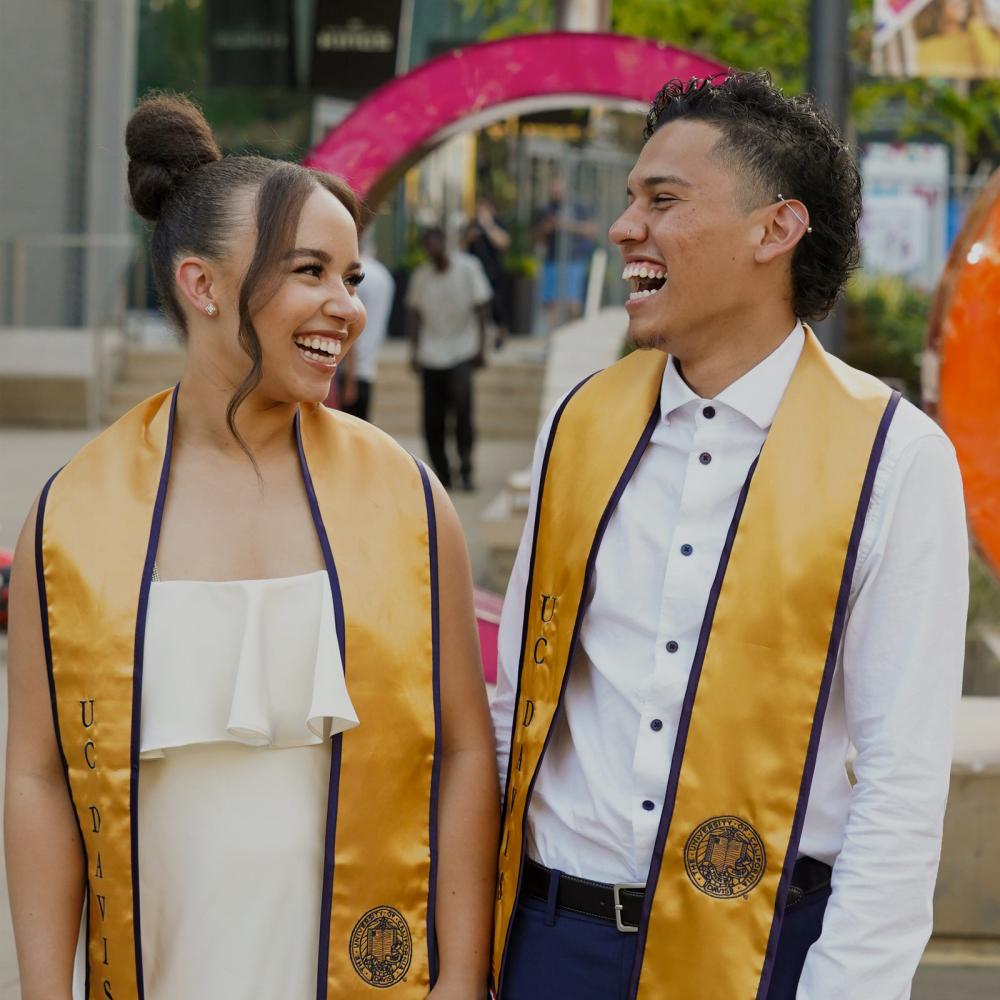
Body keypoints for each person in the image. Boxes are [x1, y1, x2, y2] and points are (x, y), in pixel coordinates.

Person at [5, 94, 498, 1000]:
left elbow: (467, 750)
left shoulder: (409, 501)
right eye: (310, 270)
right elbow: (38, 773)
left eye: (351, 276)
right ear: (203, 285)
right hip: (162, 965)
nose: (344, 307)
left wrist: (462, 977)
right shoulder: (73, 515)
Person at [490, 72, 969, 1000]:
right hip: (551, 943)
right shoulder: (580, 423)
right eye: (631, 199)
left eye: (662, 201)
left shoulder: (893, 458)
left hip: (764, 953)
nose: (625, 227)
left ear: (774, 230)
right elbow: (520, 703)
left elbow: (901, 781)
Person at [406, 226, 492, 491]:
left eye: (436, 243)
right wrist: (414, 351)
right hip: (432, 353)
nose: (433, 250)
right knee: (432, 419)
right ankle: (442, 473)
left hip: (461, 350)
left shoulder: (468, 268)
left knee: (463, 413)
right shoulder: (421, 276)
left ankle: (466, 469)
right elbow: (414, 314)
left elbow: (482, 307)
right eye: (427, 245)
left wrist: (481, 346)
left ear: (444, 243)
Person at [339, 236, 395, 422]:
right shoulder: (384, 275)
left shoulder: (354, 275)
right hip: (367, 367)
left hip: (350, 371)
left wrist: (349, 380)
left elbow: (349, 327)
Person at [534, 177, 596, 330]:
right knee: (551, 301)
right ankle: (553, 335)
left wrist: (567, 224)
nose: (556, 193)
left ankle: (573, 334)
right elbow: (537, 238)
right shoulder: (546, 209)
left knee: (572, 301)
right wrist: (548, 227)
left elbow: (591, 229)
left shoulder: (579, 206)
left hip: (574, 259)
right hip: (552, 260)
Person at [462, 197, 512, 347]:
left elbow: (504, 243)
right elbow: (461, 246)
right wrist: (469, 237)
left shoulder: (497, 224)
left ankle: (501, 334)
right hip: (475, 273)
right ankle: (480, 337)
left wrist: (489, 227)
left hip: (494, 272)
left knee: (497, 306)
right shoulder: (471, 225)